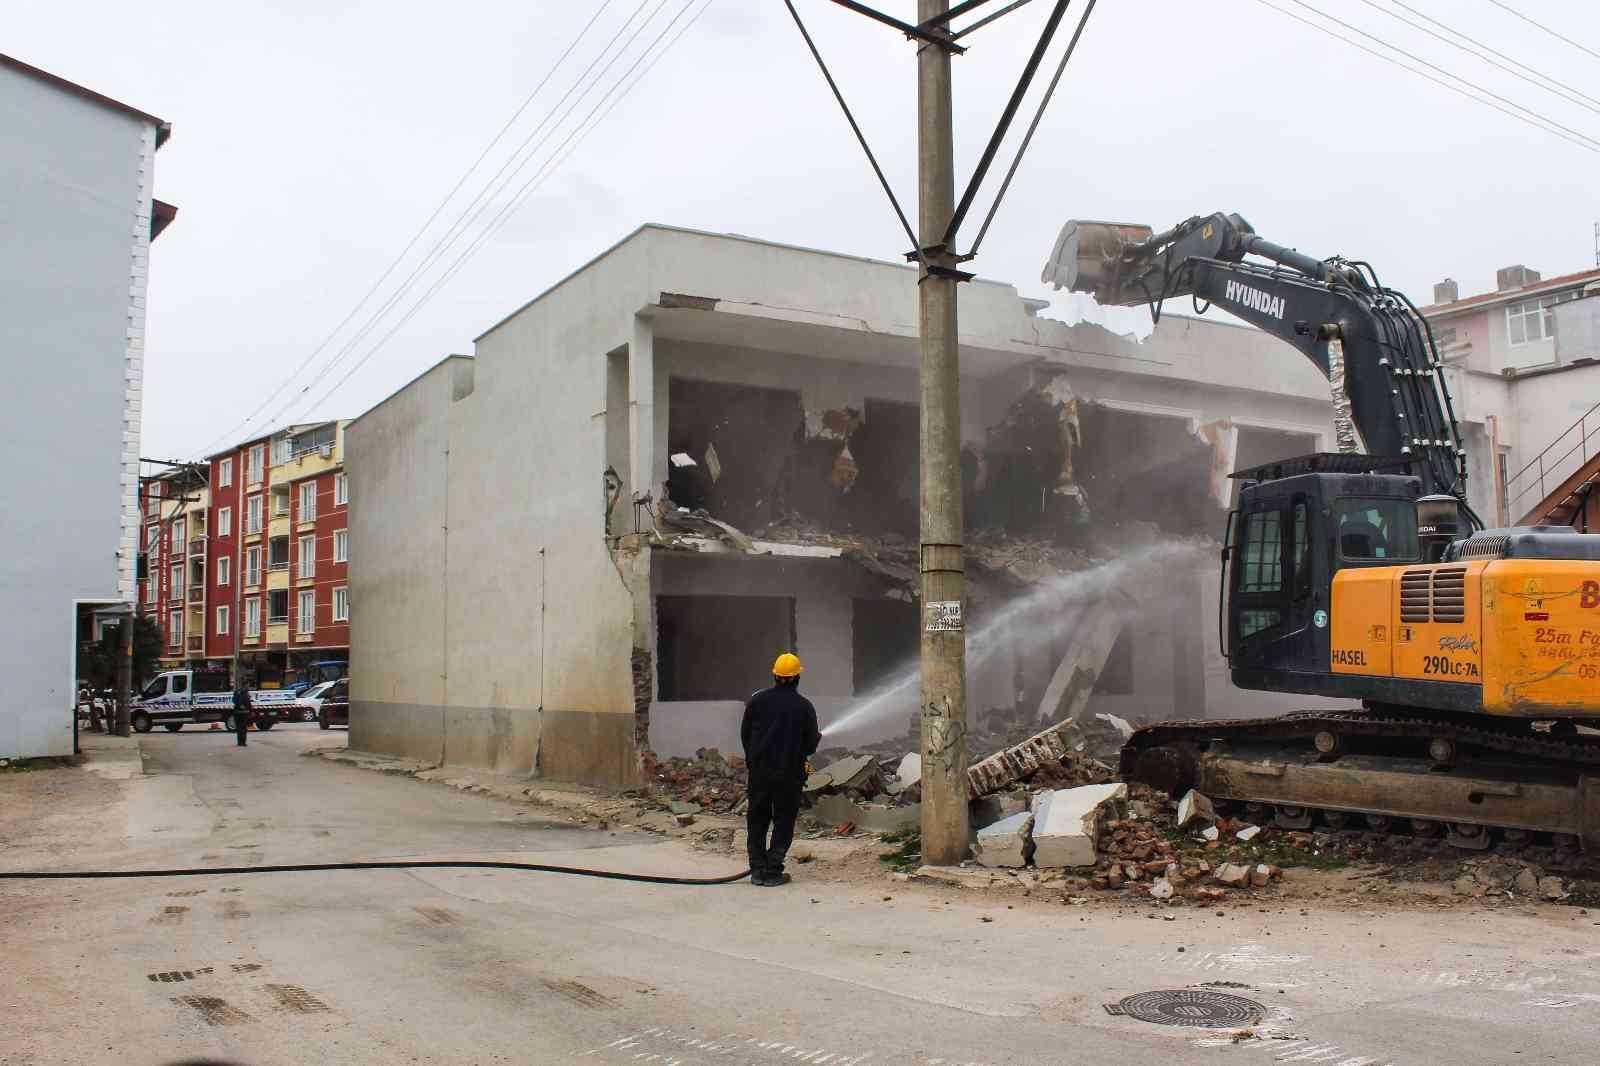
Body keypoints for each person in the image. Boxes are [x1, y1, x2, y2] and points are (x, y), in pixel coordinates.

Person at [740, 652, 820, 887]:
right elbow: (809, 745)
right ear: (796, 678)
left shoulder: (756, 701)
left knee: (757, 819)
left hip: (760, 773)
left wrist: (753, 760)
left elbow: (745, 735)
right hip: (789, 774)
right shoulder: (804, 707)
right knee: (784, 820)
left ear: (775, 676)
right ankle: (773, 870)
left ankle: (757, 870)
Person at [232, 678, 253, 747]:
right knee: (243, 728)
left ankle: (239, 742)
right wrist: (250, 710)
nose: (249, 686)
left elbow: (234, 700)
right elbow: (248, 703)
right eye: (248, 685)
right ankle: (243, 742)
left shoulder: (237, 691)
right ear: (245, 685)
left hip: (237, 712)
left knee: (239, 728)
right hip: (243, 713)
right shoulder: (245, 692)